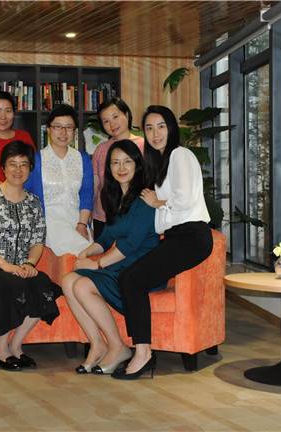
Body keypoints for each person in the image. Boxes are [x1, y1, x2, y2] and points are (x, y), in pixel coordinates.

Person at [112, 105, 212, 380]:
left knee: (131, 279)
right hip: (177, 236)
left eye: (161, 126)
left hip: (192, 236)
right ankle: (142, 351)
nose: (155, 134)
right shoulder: (160, 164)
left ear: (171, 128)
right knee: (129, 277)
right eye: (149, 128)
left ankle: (142, 354)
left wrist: (158, 202)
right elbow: (161, 218)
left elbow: (185, 200)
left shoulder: (180, 154)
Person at [61, 140, 160, 375]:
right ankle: (98, 344)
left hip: (139, 269)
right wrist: (88, 251)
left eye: (127, 162)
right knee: (67, 280)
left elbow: (130, 245)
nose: (121, 168)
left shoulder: (145, 198)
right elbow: (107, 237)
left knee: (83, 285)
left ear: (137, 165)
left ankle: (117, 347)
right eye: (115, 162)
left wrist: (96, 264)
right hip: (120, 265)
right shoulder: (115, 196)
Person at [0, 141, 62, 371]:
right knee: (11, 283)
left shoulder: (33, 202)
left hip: (21, 266)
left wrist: (30, 263)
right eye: (12, 164)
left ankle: (16, 345)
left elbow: (38, 241)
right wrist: (5, 265)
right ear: (3, 167)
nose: (18, 170)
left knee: (43, 284)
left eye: (24, 164)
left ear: (30, 168)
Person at [24, 104, 93, 256]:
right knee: (75, 256)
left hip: (77, 221)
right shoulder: (36, 159)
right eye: (57, 126)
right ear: (48, 129)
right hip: (48, 222)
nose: (63, 132)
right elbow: (22, 191)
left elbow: (86, 194)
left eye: (69, 127)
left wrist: (82, 224)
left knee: (87, 254)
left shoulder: (82, 159)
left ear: (74, 131)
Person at [91, 98, 144, 239]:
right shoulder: (101, 149)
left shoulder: (144, 146)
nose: (112, 124)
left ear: (126, 114)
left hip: (135, 217)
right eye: (106, 121)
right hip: (103, 218)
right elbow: (95, 185)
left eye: (115, 116)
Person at [0, 91, 35, 183]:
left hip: (29, 189)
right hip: (3, 191)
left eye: (8, 111)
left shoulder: (24, 136)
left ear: (14, 114)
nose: (3, 117)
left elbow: (34, 169)